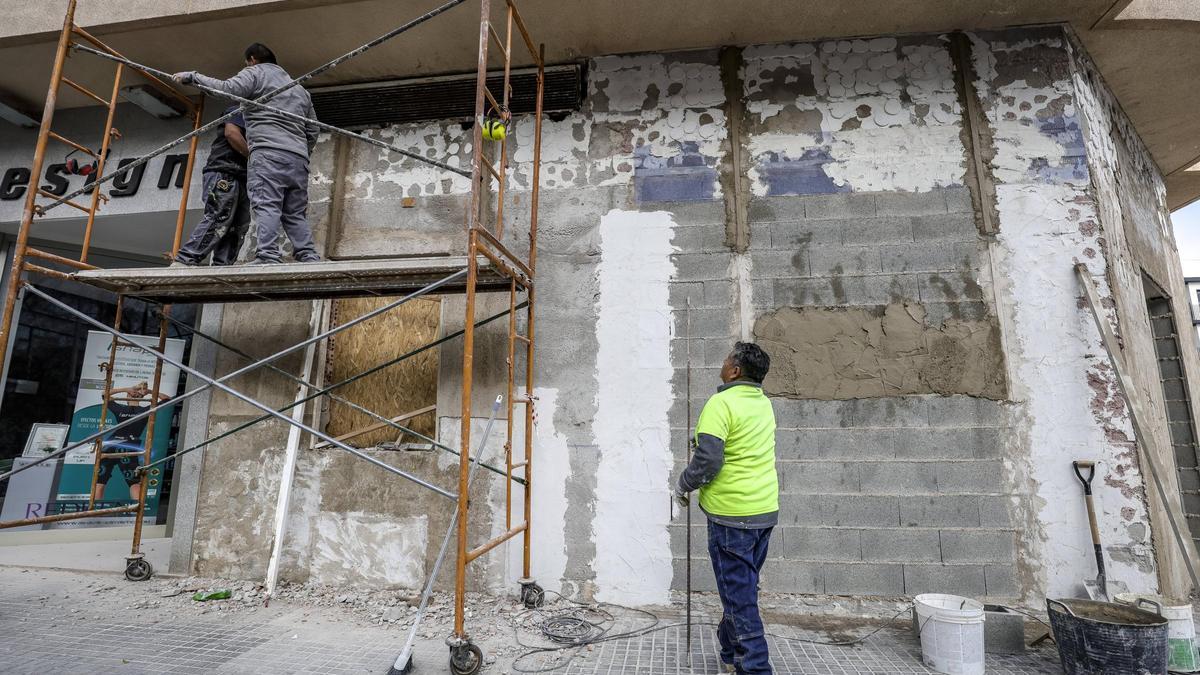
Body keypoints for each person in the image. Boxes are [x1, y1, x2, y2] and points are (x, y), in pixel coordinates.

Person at [674, 342, 778, 675]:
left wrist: (684, 484)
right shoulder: (763, 404)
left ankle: (756, 669)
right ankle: (730, 652)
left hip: (732, 517)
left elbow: (708, 460)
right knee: (743, 588)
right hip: (763, 512)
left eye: (726, 360)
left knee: (741, 600)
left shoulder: (721, 403)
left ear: (734, 371)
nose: (722, 363)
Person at [173, 43, 321, 264]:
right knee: (294, 212)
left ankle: (268, 255)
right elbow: (313, 128)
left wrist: (192, 77)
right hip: (298, 159)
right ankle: (308, 256)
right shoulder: (300, 90)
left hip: (268, 152)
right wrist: (302, 152)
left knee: (266, 204)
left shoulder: (255, 73)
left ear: (252, 59)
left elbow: (227, 89)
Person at [172, 105, 250, 266]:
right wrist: (254, 157)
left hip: (242, 176)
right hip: (224, 171)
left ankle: (222, 266)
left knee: (236, 226)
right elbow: (231, 133)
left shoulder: (259, 118)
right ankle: (185, 260)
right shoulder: (240, 109)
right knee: (219, 217)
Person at [94, 381, 170, 502]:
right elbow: (166, 399)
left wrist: (126, 389)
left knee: (100, 482)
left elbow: (104, 395)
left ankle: (92, 512)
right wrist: (148, 392)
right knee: (133, 483)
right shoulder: (146, 410)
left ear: (128, 396)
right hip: (127, 446)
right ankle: (138, 511)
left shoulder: (121, 408)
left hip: (113, 446)